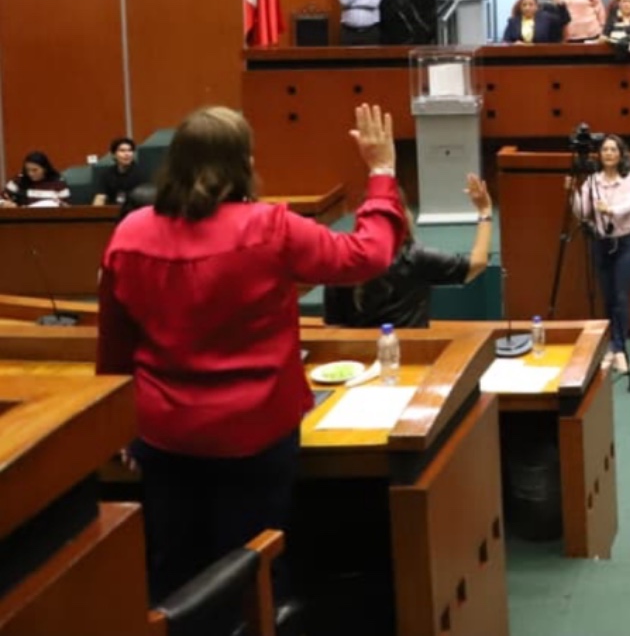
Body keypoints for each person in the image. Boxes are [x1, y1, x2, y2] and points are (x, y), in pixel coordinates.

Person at [97, 104, 402, 615]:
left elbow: (114, 343)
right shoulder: (271, 227)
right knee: (252, 566)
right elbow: (367, 254)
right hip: (254, 431)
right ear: (245, 163)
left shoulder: (130, 233)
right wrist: (381, 172)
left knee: (175, 571)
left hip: (164, 433)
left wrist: (118, 425)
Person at [323, 174, 494, 329]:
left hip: (359, 353)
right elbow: (477, 263)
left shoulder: (342, 259)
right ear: (404, 216)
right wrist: (485, 211)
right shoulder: (417, 258)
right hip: (411, 351)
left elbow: (333, 328)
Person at [570, 135, 630, 374]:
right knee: (608, 297)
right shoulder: (592, 181)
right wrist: (572, 193)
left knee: (621, 297)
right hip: (601, 243)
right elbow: (582, 211)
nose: (609, 153)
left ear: (621, 154)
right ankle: (612, 345)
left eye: (613, 149)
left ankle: (620, 349)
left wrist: (609, 210)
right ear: (599, 155)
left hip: (626, 243)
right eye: (605, 150)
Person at [93, 136, 145, 210]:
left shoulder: (140, 173)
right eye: (122, 151)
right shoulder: (107, 174)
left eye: (130, 150)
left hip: (133, 212)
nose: (127, 154)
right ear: (114, 154)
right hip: (112, 212)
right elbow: (100, 197)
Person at [497, 0, 568, 44]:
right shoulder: (513, 22)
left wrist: (562, 8)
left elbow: (564, 21)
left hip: (543, 55)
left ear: (537, 7)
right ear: (520, 7)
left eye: (531, 5)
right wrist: (514, 44)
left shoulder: (547, 18)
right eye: (524, 5)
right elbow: (505, 42)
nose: (527, 8)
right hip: (519, 56)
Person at [2, 152, 67, 208]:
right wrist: (3, 203)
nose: (30, 174)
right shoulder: (18, 181)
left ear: (45, 169)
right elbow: (2, 198)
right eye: (27, 170)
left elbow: (66, 206)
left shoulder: (58, 183)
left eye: (35, 170)